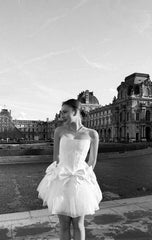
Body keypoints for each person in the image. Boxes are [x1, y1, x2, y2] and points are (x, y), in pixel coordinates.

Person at [37, 99, 103, 240]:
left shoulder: (92, 134)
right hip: (61, 180)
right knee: (64, 226)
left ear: (76, 111)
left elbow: (92, 160)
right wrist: (55, 177)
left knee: (79, 225)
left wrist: (86, 177)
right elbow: (56, 158)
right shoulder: (59, 131)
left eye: (65, 112)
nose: (62, 115)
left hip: (80, 181)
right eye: (61, 112)